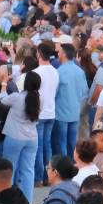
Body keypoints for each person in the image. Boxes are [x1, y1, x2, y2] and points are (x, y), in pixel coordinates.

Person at [0, 68, 41, 201]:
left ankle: (6, 199)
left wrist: (4, 83)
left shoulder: (17, 97)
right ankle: (27, 202)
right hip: (32, 138)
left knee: (9, 169)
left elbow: (2, 99)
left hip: (15, 136)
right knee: (28, 170)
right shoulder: (39, 99)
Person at [33, 42, 59, 186]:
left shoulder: (37, 72)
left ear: (39, 53)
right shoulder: (55, 71)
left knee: (39, 146)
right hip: (51, 111)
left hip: (40, 113)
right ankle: (48, 177)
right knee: (47, 145)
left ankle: (38, 178)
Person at [53, 43, 86, 157]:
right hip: (75, 112)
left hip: (61, 113)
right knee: (72, 144)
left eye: (59, 52)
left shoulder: (59, 72)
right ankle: (74, 166)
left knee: (61, 144)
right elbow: (84, 92)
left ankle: (64, 169)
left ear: (64, 54)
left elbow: (54, 93)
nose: (58, 54)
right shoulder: (80, 71)